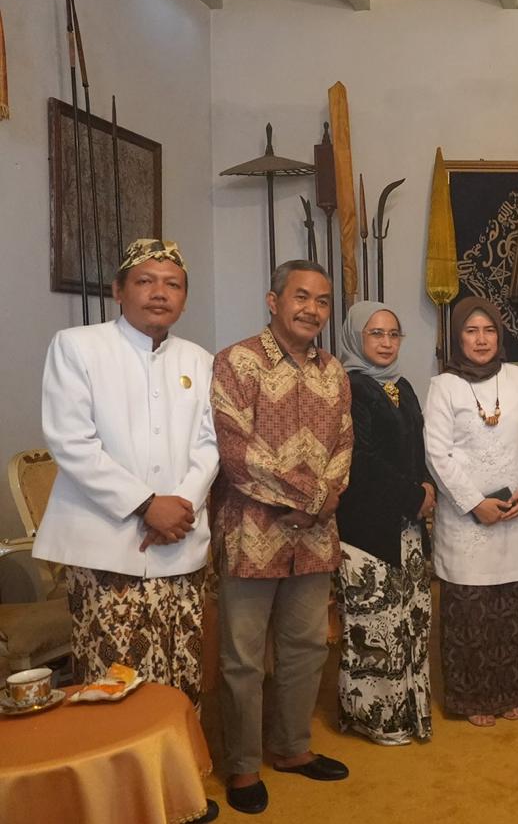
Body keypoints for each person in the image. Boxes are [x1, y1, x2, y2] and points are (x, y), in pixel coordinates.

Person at [37, 240, 218, 707]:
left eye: (173, 284)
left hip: (180, 542)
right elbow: (71, 441)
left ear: (184, 298)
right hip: (105, 547)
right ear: (118, 290)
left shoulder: (200, 361)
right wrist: (146, 505)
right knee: (114, 686)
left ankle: (176, 756)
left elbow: (211, 443)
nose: (159, 292)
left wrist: (180, 506)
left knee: (182, 676)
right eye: (145, 281)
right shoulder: (78, 347)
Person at [212, 260, 352, 816]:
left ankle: (292, 748)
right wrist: (312, 498)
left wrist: (323, 498)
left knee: (306, 647)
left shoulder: (334, 371)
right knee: (243, 659)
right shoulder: (237, 362)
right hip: (252, 532)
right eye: (301, 296)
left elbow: (344, 444)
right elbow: (236, 453)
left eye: (322, 300)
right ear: (273, 301)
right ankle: (243, 764)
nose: (311, 309)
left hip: (313, 538)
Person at [425, 298, 518, 728]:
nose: (481, 339)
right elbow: (437, 453)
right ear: (458, 337)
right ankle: (473, 697)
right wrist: (475, 502)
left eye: (489, 330)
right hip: (466, 520)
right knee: (470, 611)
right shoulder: (444, 386)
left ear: (500, 334)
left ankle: (514, 691)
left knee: (513, 607)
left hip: (514, 514)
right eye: (471, 331)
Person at [334, 301, 437, 744]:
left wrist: (427, 484)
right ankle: (377, 718)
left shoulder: (402, 386)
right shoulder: (348, 387)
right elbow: (361, 459)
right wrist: (414, 495)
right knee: (375, 626)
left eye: (394, 334)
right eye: (376, 333)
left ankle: (411, 712)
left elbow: (418, 446)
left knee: (410, 619)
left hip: (408, 526)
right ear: (356, 337)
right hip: (368, 527)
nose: (386, 342)